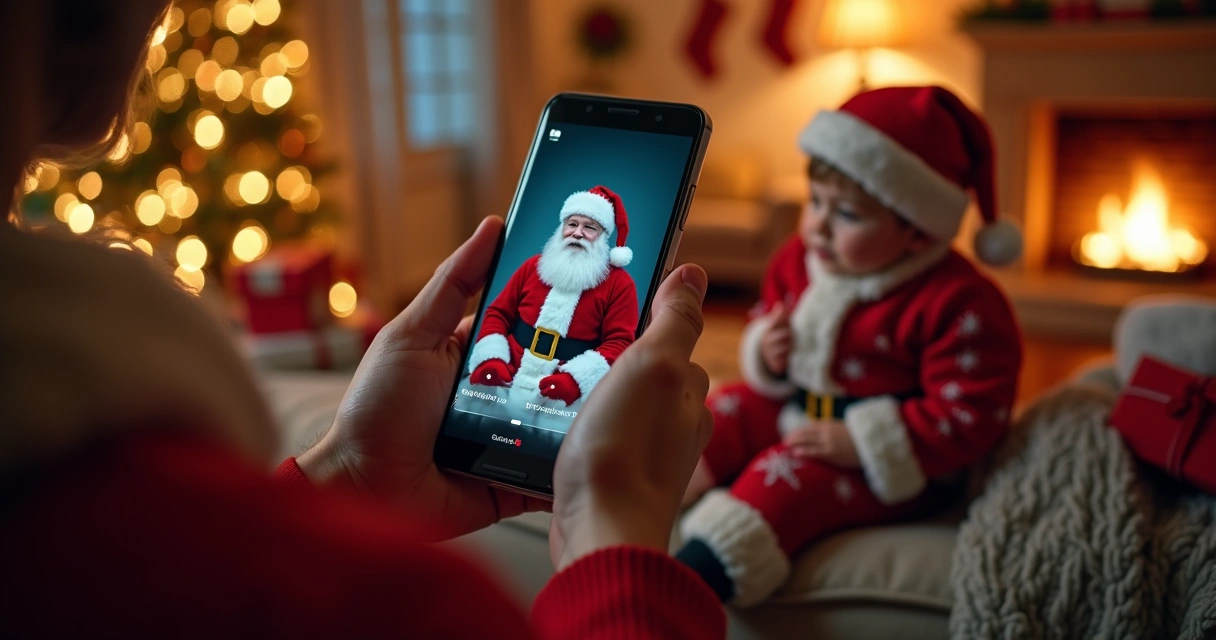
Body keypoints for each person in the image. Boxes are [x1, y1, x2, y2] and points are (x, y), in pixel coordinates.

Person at [0, 2, 724, 638]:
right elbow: (497, 312)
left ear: (606, 242)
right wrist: (611, 531)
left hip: (560, 383)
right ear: (83, 23)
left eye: (585, 229)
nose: (572, 234)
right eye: (567, 223)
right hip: (511, 378)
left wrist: (349, 469)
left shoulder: (614, 289)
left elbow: (615, 343)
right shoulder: (398, 609)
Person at [675, 86, 1025, 606]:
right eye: (814, 202)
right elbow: (767, 316)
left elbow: (971, 412)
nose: (817, 225)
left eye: (847, 215)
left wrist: (862, 443)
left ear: (918, 233)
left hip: (889, 458)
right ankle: (658, 484)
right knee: (721, 409)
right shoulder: (799, 258)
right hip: (798, 405)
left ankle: (703, 572)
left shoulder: (962, 303)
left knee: (787, 481)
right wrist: (766, 352)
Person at [469, 185, 638, 409]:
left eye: (589, 227)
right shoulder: (533, 266)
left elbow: (620, 343)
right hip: (505, 378)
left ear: (603, 236)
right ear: (562, 227)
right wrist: (491, 358)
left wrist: (576, 381)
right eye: (572, 224)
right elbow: (497, 313)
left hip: (563, 398)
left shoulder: (620, 284)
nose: (578, 233)